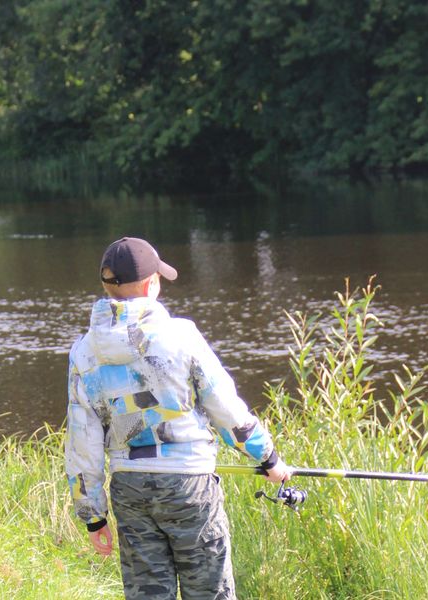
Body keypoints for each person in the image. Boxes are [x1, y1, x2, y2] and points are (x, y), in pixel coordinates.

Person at [64, 237, 290, 600]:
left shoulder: (83, 352)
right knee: (209, 593)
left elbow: (82, 437)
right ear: (151, 284)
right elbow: (225, 408)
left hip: (130, 490)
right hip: (190, 487)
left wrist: (93, 515)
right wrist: (268, 459)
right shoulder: (180, 336)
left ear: (106, 286)